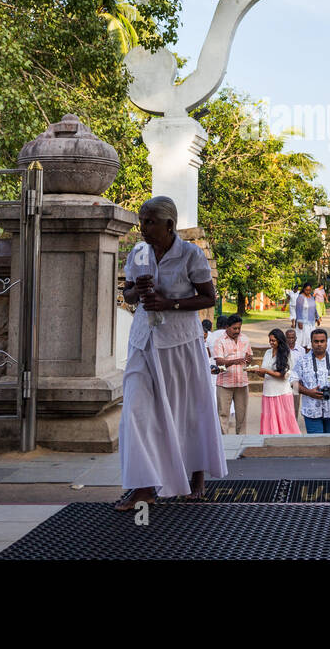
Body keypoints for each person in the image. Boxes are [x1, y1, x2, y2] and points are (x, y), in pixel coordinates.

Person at [116, 196, 226, 511]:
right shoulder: (138, 253)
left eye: (150, 222)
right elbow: (127, 293)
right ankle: (143, 488)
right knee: (135, 411)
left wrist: (171, 303)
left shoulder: (190, 254)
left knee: (188, 409)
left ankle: (196, 476)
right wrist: (138, 290)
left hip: (181, 343)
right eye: (142, 222)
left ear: (169, 225)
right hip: (143, 342)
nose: (143, 229)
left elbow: (208, 298)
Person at [294, 328, 330, 434]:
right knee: (317, 443)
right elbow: (292, 383)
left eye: (322, 341)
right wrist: (308, 392)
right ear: (311, 343)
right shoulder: (302, 361)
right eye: (316, 341)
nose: (319, 344)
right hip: (311, 410)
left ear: (326, 343)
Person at [248, 329, 299, 434]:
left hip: (282, 393)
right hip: (268, 392)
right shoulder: (267, 352)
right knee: (270, 422)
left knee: (285, 423)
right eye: (270, 340)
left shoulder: (287, 353)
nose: (271, 343)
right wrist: (256, 371)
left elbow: (283, 375)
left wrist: (266, 371)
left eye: (273, 341)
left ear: (280, 341)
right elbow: (263, 373)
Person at [211, 314, 252, 434]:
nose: (237, 331)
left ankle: (241, 439)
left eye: (239, 328)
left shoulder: (245, 338)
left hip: (242, 382)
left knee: (242, 415)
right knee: (223, 414)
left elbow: (249, 356)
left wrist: (249, 359)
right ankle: (224, 442)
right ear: (227, 327)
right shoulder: (220, 341)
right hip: (225, 383)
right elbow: (219, 361)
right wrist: (235, 361)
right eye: (234, 328)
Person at [291, 282, 320, 350]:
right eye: (306, 290)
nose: (308, 291)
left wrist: (317, 318)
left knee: (311, 341)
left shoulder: (312, 297)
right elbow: (298, 310)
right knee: (303, 342)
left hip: (311, 323)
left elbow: (314, 308)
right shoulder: (300, 297)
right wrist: (299, 321)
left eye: (309, 290)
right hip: (303, 324)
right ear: (304, 289)